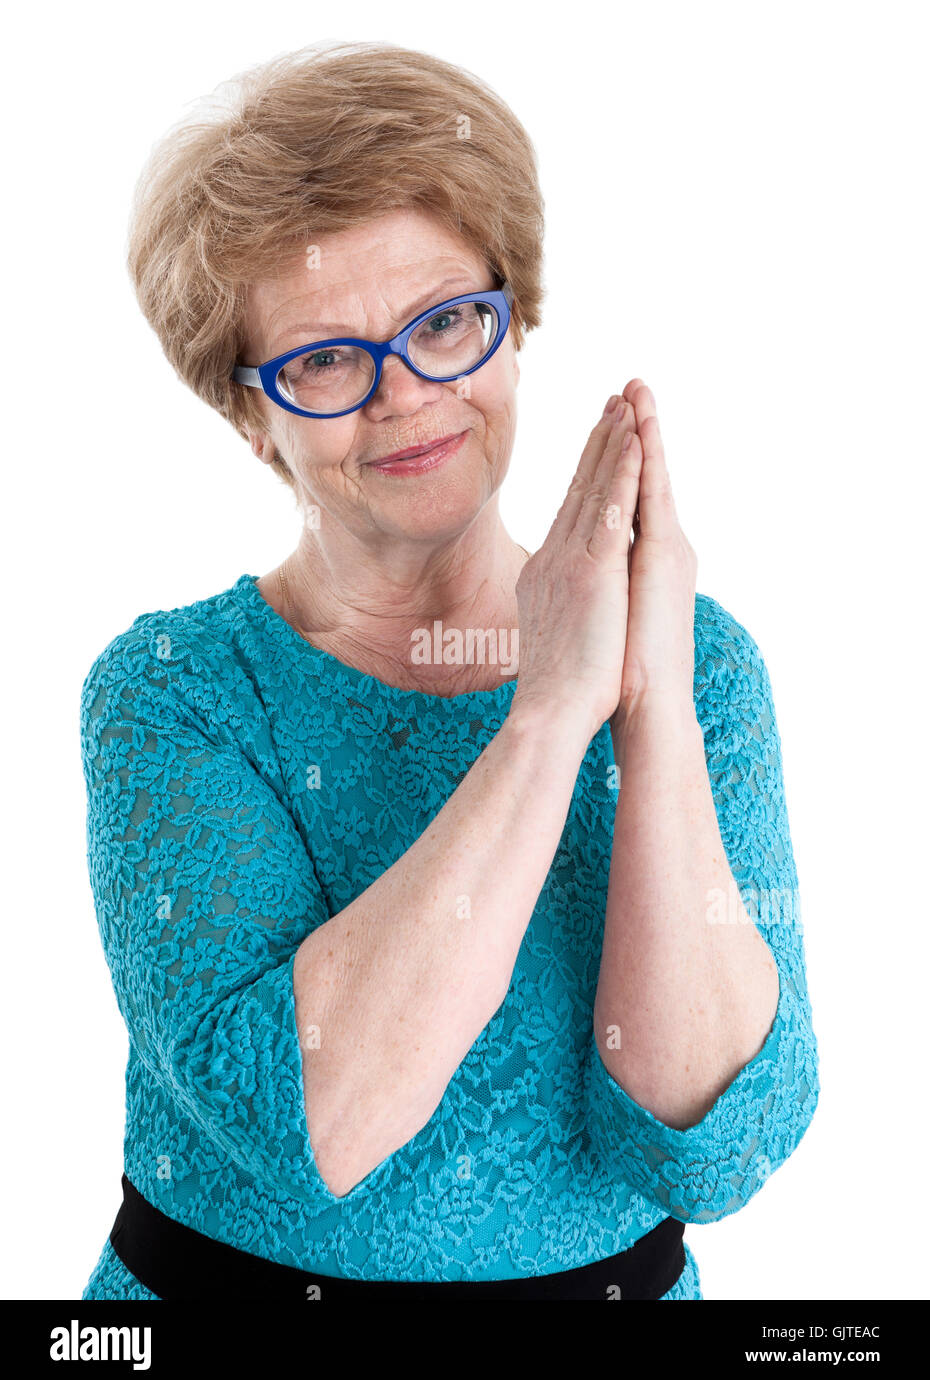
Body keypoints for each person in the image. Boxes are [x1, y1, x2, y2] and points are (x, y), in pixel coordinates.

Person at [80, 40, 819, 1301]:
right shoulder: (172, 691)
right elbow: (314, 1126)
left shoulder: (694, 663)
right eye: (323, 360)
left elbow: (715, 1149)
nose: (407, 398)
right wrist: (549, 716)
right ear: (250, 414)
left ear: (513, 318)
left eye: (447, 324)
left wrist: (651, 715)